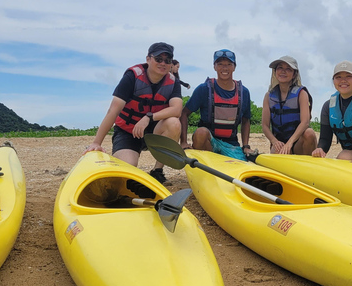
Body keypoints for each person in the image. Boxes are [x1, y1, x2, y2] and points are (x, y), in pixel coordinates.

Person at [85, 42, 182, 184]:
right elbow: (113, 110)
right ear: (148, 59)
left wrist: (149, 117)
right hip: (128, 131)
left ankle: (157, 171)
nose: (163, 63)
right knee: (126, 170)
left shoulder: (173, 82)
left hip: (154, 131)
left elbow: (177, 110)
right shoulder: (132, 77)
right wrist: (96, 142)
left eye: (167, 61)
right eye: (158, 59)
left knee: (174, 122)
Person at [180, 49, 252, 160]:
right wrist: (184, 142)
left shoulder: (244, 92)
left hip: (231, 145)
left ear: (234, 67)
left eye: (229, 64)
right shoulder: (203, 89)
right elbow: (184, 113)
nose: (224, 68)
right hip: (209, 141)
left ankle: (223, 159)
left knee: (244, 171)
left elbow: (246, 120)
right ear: (214, 67)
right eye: (220, 64)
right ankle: (205, 161)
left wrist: (246, 146)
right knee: (201, 132)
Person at [261, 56, 317, 155]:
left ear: (294, 74)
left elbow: (305, 122)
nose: (283, 71)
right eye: (280, 68)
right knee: (278, 150)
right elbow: (265, 126)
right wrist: (274, 141)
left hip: (297, 142)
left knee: (310, 133)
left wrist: (290, 143)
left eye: (288, 69)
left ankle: (307, 164)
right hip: (279, 142)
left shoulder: (301, 93)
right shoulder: (269, 96)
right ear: (275, 71)